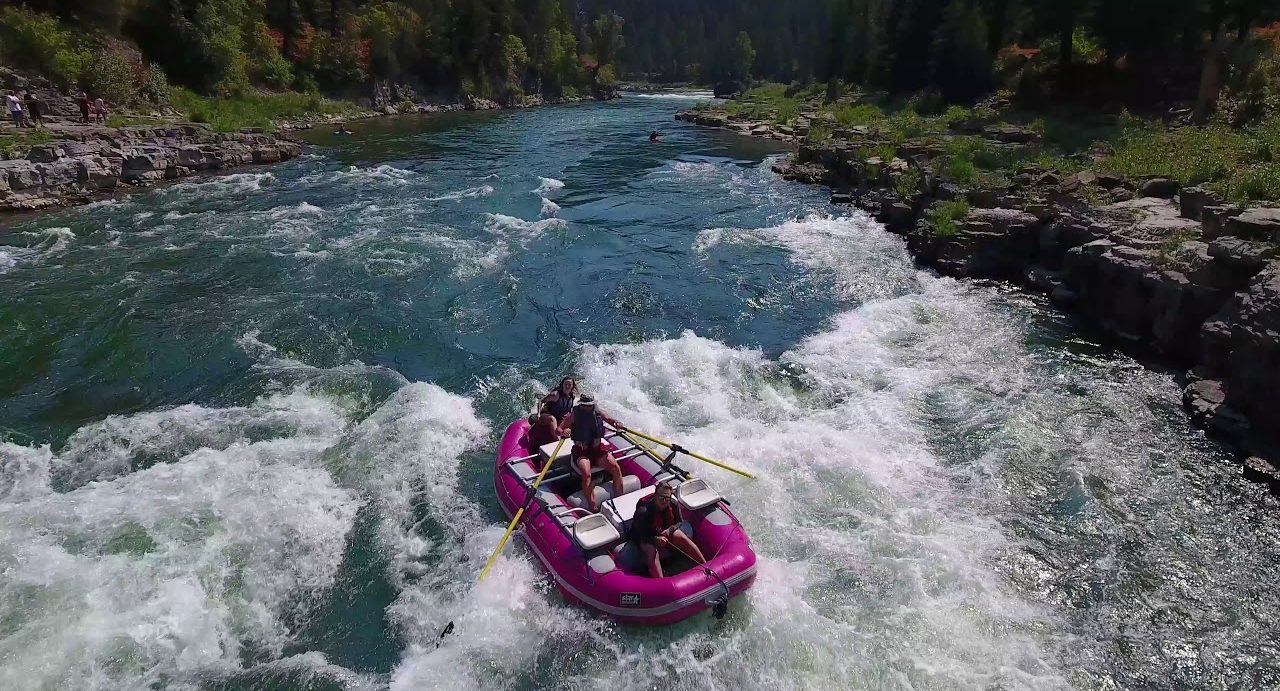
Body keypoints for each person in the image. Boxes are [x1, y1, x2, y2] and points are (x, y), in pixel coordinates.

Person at [558, 394, 625, 512]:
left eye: (590, 405)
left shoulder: (598, 412)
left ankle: (620, 499)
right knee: (586, 473)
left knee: (615, 467)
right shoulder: (574, 415)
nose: (588, 407)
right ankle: (592, 506)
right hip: (581, 451)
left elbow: (611, 420)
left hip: (598, 450)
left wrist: (617, 423)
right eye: (585, 405)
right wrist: (564, 431)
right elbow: (558, 429)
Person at [633, 481, 707, 578]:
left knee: (681, 537)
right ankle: (660, 581)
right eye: (661, 497)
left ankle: (705, 565)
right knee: (651, 551)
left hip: (663, 532)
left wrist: (669, 531)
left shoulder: (673, 504)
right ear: (655, 496)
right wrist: (655, 539)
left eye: (667, 498)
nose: (664, 501)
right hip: (645, 536)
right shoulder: (644, 511)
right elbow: (638, 533)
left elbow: (679, 522)